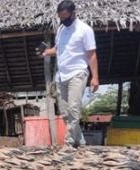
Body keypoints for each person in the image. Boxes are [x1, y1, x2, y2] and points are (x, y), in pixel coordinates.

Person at [42, 0, 99, 147]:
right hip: (61, 75)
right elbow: (59, 49)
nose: (63, 19)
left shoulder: (84, 30)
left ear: (73, 13)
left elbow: (92, 54)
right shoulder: (61, 29)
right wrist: (48, 52)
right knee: (65, 112)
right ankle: (80, 141)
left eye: (66, 16)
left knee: (74, 108)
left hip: (78, 73)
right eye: (61, 17)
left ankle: (68, 143)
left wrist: (95, 77)